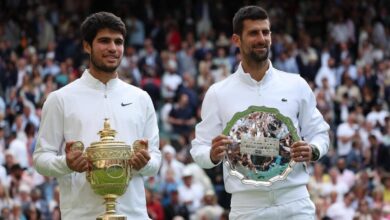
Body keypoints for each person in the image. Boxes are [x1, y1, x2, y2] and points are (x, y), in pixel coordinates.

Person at [190, 6, 330, 219]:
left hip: (295, 201)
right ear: (237, 40)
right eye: (253, 33)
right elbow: (199, 147)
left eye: (266, 32)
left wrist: (313, 149)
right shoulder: (218, 93)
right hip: (247, 206)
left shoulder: (296, 85)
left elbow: (320, 133)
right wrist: (211, 154)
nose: (262, 38)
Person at [33, 12, 161, 219]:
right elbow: (41, 159)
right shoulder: (60, 99)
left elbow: (155, 160)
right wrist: (67, 163)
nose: (113, 48)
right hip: (82, 215)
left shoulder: (141, 98)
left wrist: (145, 162)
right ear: (87, 46)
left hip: (133, 214)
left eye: (118, 42)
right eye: (104, 41)